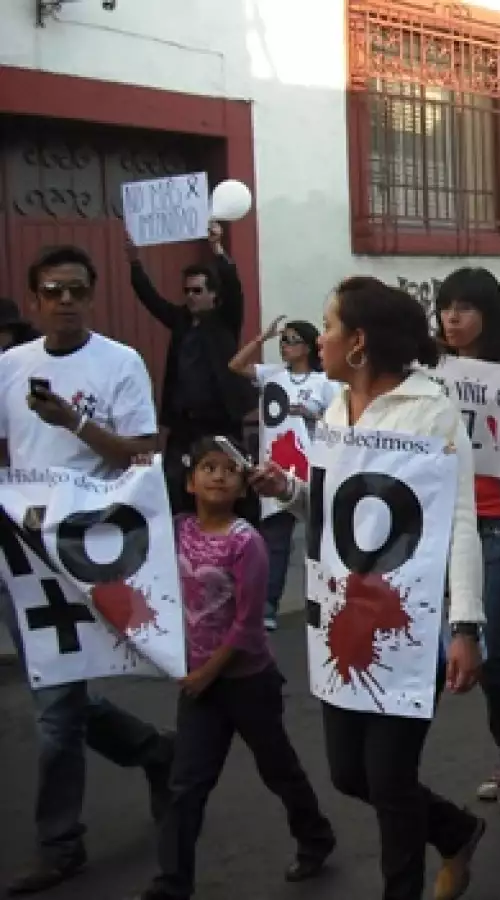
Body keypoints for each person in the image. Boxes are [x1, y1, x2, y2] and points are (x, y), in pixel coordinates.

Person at [249, 277, 488, 900]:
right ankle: (456, 829)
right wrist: (291, 493)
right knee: (349, 773)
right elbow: (338, 514)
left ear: (357, 341)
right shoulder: (332, 410)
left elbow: (458, 520)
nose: (316, 339)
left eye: (326, 326)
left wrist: (465, 626)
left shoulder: (429, 410)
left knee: (388, 778)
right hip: (340, 621)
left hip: (407, 626)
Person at [0, 245, 175, 895]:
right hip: (26, 554)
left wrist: (73, 421)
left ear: (91, 295)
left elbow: (140, 453)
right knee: (61, 692)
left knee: (54, 707)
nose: (65, 299)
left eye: (77, 289)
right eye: (52, 290)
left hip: (90, 550)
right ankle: (154, 750)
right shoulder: (10, 367)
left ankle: (59, 842)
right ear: (36, 299)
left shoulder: (118, 363)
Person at [131, 438, 336, 900]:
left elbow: (247, 627)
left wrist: (205, 673)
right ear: (189, 481)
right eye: (207, 467)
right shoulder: (178, 530)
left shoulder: (248, 543)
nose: (218, 476)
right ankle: (171, 883)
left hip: (247, 683)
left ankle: (315, 837)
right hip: (200, 688)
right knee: (186, 786)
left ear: (244, 486)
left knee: (278, 769)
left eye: (228, 470)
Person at [433, 267, 500, 811]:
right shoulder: (427, 373)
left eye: (466, 307)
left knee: (491, 643)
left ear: (489, 314)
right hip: (448, 525)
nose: (453, 317)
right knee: (439, 646)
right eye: (446, 306)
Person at [126, 222, 254, 511]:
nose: (191, 296)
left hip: (219, 419)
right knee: (175, 482)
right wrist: (135, 262)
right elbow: (150, 299)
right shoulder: (181, 321)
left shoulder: (225, 321)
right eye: (187, 291)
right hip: (185, 422)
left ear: (213, 295)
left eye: (197, 290)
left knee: (224, 482)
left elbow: (234, 287)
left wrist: (217, 248)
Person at [227, 317, 334, 631]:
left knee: (320, 540)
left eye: (292, 340)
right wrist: (261, 338)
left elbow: (338, 419)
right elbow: (235, 365)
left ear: (308, 346)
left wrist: (313, 413)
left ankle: (326, 602)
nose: (285, 346)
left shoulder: (324, 382)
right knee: (275, 540)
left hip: (311, 467)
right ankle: (269, 606)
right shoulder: (273, 375)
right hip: (275, 468)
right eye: (283, 341)